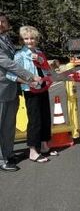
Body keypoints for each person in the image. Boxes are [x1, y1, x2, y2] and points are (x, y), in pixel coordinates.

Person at [7, 26, 57, 163]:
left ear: (37, 39)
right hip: (31, 91)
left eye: (32, 38)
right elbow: (11, 75)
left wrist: (43, 63)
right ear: (22, 40)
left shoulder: (39, 52)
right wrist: (28, 82)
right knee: (35, 120)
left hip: (43, 88)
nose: (30, 41)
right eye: (26, 39)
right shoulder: (19, 55)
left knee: (46, 117)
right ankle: (33, 151)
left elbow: (47, 69)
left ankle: (44, 145)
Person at [0, 12, 40, 172]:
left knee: (9, 126)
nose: (1, 24)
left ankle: (8, 154)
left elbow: (18, 57)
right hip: (1, 89)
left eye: (3, 21)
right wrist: (30, 76)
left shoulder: (6, 39)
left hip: (11, 88)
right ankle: (1, 160)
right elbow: (8, 63)